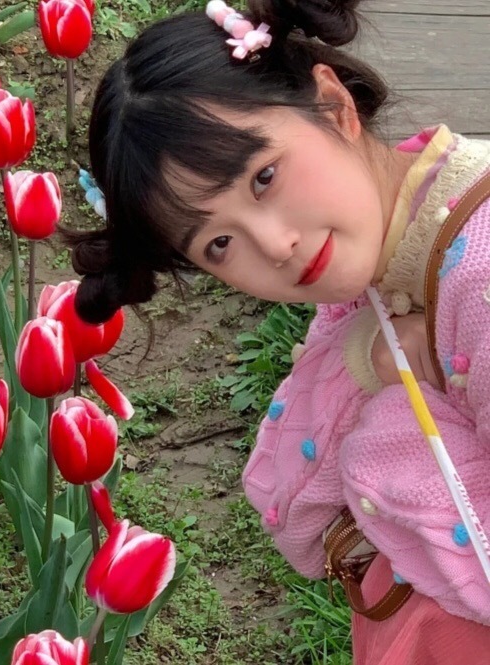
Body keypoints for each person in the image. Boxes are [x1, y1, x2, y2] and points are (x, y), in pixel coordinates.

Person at [65, 0, 490, 662]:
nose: (275, 245)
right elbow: (295, 517)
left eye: (264, 177)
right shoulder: (388, 256)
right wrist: (369, 360)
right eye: (219, 243)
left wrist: (392, 422)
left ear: (334, 106)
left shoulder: (477, 271)